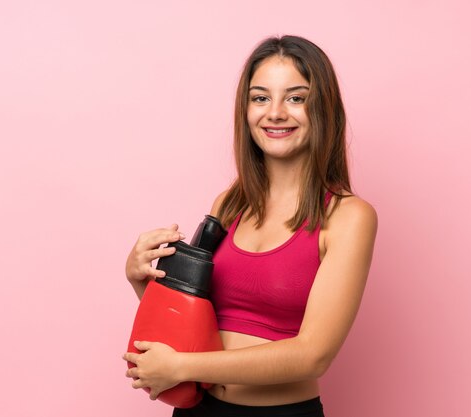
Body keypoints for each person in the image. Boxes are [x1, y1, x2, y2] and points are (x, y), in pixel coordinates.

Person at [122, 35, 378, 417]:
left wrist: (183, 367)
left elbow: (313, 355)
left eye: (296, 97)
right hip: (198, 409)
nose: (275, 112)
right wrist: (140, 280)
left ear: (323, 109)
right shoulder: (230, 204)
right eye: (260, 97)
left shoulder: (348, 217)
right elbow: (197, 321)